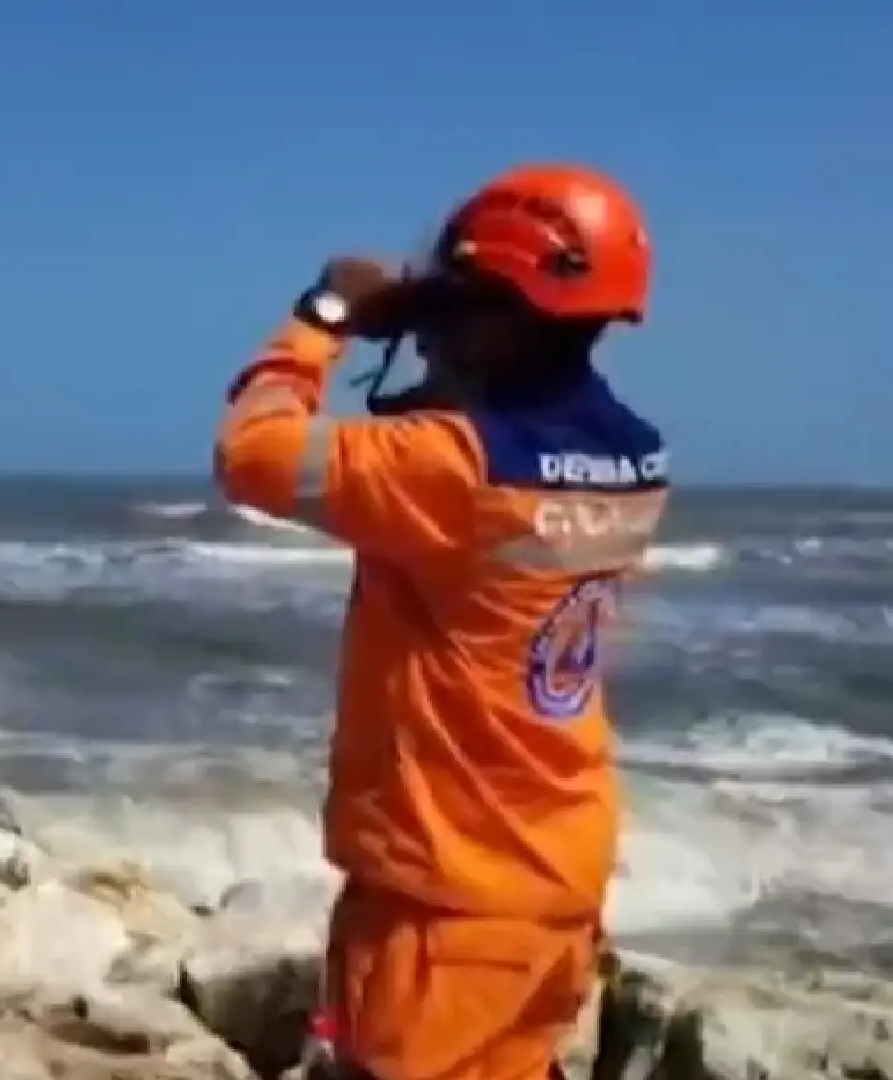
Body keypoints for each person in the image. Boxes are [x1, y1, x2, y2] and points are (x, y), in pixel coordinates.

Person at [212, 163, 667, 1080]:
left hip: (449, 890)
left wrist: (325, 316)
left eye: (456, 304)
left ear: (497, 316)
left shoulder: (452, 467)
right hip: (552, 870)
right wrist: (447, 330)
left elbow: (252, 452)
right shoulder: (636, 457)